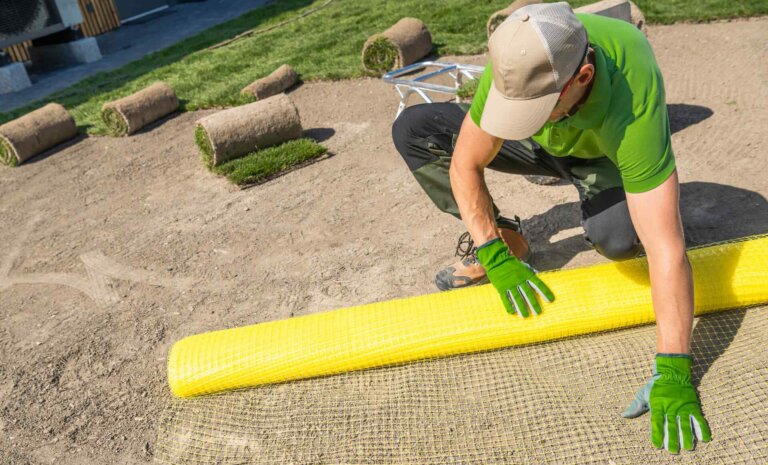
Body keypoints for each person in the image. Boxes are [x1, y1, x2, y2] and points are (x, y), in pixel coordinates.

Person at [391, 2, 710, 454]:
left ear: (582, 77)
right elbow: (466, 163)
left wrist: (674, 368)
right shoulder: (520, 58)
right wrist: (491, 251)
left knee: (618, 242)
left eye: (536, 106)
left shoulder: (632, 88)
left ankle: (595, 191)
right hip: (547, 139)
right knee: (414, 129)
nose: (520, 114)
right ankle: (510, 239)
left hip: (605, 154)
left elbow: (666, 249)